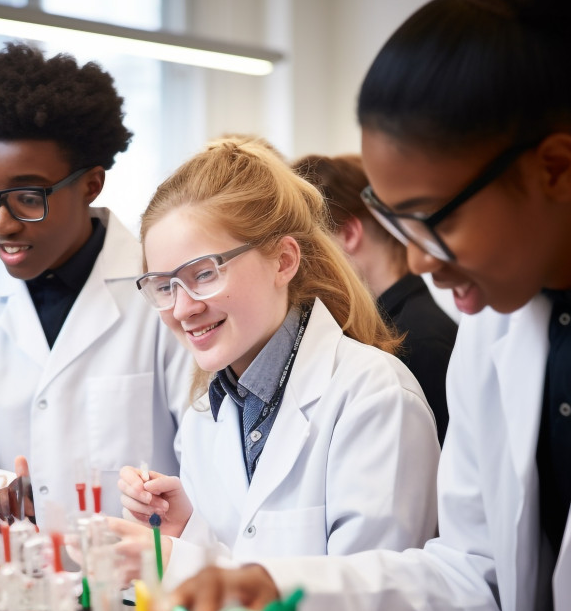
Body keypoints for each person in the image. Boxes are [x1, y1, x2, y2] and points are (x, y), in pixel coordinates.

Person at [162, 0, 571, 611]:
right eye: (395, 221)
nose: (417, 260)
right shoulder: (497, 329)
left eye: (435, 217)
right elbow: (471, 574)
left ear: (555, 167)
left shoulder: (396, 373)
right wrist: (275, 584)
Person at [115, 136, 440, 588]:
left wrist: (180, 566)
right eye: (164, 285)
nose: (183, 308)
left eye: (204, 273)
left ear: (283, 260)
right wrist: (186, 530)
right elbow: (241, 558)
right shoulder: (205, 415)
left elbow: (374, 604)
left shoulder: (372, 396)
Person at [0, 42, 190, 524]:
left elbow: (207, 452)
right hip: (19, 582)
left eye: (26, 196)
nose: (1, 222)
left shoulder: (162, 296)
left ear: (91, 184)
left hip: (139, 585)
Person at [293, 153, 457, 442]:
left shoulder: (418, 339)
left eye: (310, 247)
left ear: (349, 233)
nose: (300, 267)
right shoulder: (389, 326)